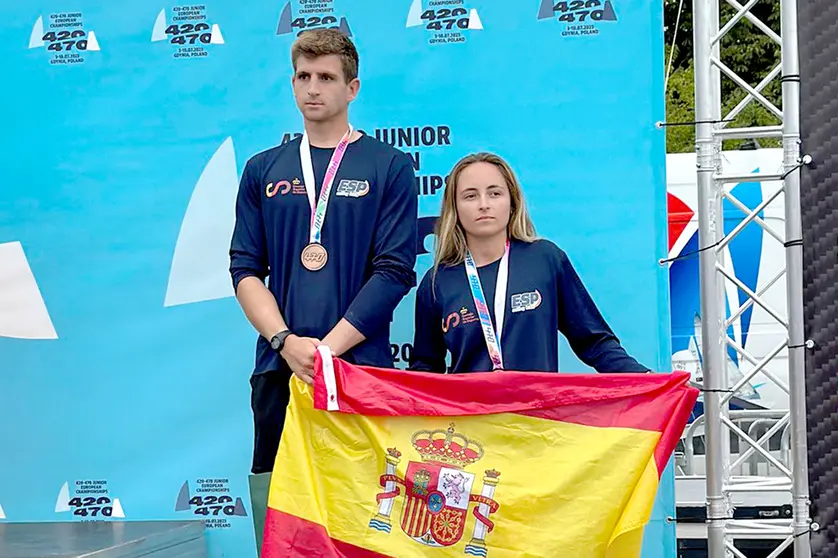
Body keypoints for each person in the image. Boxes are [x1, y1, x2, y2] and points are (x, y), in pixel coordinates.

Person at [229, 28, 417, 549]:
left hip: (359, 369)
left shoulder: (390, 166)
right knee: (279, 508)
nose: (313, 88)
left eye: (327, 78)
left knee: (364, 511)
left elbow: (396, 269)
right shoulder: (262, 170)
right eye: (303, 77)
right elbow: (244, 270)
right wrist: (286, 343)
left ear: (352, 88)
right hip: (278, 369)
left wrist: (327, 354)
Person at [409, 152, 649, 374]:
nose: (484, 204)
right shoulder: (437, 281)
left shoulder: (545, 259)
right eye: (470, 196)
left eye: (495, 193)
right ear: (455, 208)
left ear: (512, 202)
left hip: (538, 416)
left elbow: (594, 342)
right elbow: (426, 366)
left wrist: (646, 379)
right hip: (470, 418)